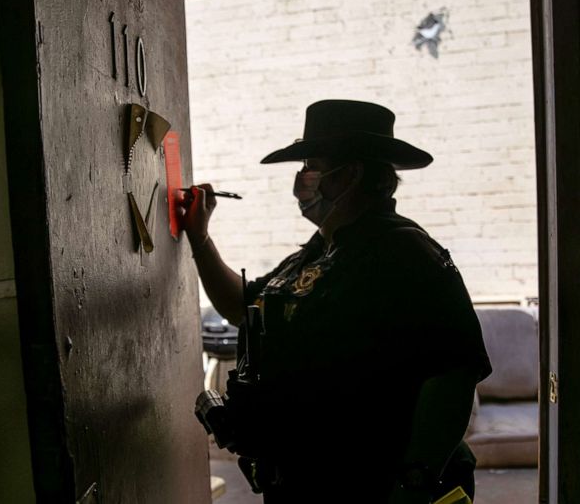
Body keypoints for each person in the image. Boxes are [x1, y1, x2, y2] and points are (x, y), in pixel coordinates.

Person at [180, 100, 492, 504]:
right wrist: (200, 238)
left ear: (352, 174)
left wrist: (414, 483)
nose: (300, 181)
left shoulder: (403, 251)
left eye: (311, 166)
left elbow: (454, 374)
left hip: (373, 484)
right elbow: (242, 307)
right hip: (308, 482)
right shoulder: (317, 251)